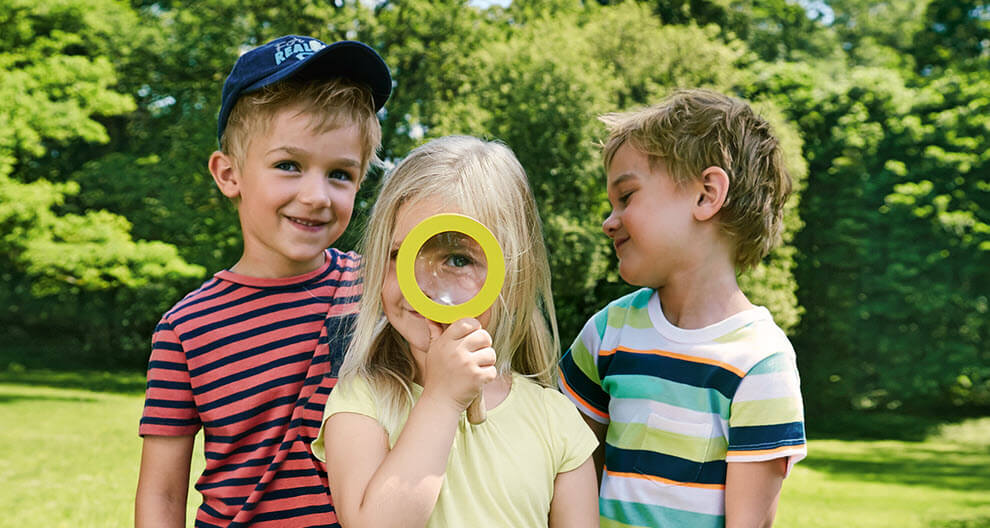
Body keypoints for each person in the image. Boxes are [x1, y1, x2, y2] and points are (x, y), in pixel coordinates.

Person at [134, 35, 391, 527]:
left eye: (340, 174)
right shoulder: (185, 330)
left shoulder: (379, 291)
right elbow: (162, 496)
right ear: (229, 174)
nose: (316, 195)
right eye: (288, 166)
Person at [313, 135, 600, 527]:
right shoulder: (361, 401)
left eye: (457, 258)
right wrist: (442, 401)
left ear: (512, 283)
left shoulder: (556, 421)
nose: (422, 283)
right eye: (401, 254)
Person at [559, 89, 807, 528]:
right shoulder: (606, 333)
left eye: (627, 196)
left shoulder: (761, 363)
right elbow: (565, 472)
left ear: (706, 194)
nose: (608, 221)